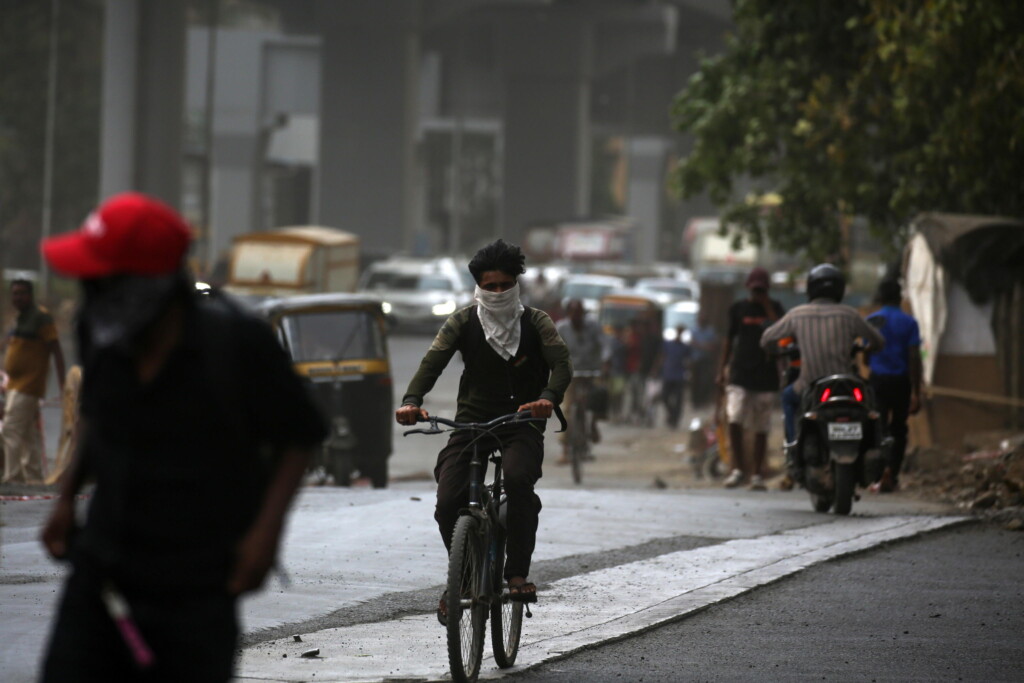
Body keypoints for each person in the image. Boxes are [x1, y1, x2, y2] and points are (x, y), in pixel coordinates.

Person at [38, 193, 327, 682]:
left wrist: (264, 537)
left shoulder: (237, 343)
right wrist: (65, 498)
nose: (91, 293)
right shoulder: (102, 328)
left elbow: (300, 437)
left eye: (101, 279)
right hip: (102, 567)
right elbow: (95, 414)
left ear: (145, 284)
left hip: (198, 583)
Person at [395, 239, 571, 612]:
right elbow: (432, 363)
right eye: (489, 286)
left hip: (521, 421)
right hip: (472, 423)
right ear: (478, 287)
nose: (497, 292)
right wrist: (412, 401)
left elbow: (562, 366)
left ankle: (517, 574)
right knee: (447, 500)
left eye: (504, 285)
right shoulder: (461, 321)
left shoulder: (537, 322)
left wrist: (547, 399)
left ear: (516, 284)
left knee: (519, 480)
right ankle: (462, 574)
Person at [760, 264, 885, 482]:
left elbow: (766, 339)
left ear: (811, 288)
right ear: (839, 289)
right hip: (846, 386)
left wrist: (778, 351)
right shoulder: (849, 314)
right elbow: (877, 340)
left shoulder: (797, 314)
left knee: (789, 398)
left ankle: (792, 446)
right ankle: (878, 444)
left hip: (809, 386)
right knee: (871, 403)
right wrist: (867, 347)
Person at [717, 267, 784, 491]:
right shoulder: (738, 309)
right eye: (755, 289)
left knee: (761, 425)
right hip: (740, 372)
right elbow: (728, 340)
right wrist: (722, 369)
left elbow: (781, 333)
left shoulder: (775, 308)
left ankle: (756, 474)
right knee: (734, 417)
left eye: (761, 290)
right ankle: (737, 469)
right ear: (748, 287)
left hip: (765, 374)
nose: (757, 293)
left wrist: (767, 307)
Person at [1, 278, 66, 484]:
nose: (17, 297)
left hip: (28, 385)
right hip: (13, 384)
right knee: (29, 435)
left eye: (21, 293)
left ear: (30, 295)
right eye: (15, 293)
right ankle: (34, 478)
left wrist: (64, 382)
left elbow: (56, 349)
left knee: (10, 429)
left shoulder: (41, 318)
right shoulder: (19, 319)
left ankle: (13, 478)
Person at [865, 278, 922, 492]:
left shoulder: (871, 320)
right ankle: (892, 473)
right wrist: (916, 391)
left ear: (880, 298)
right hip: (901, 382)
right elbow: (914, 356)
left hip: (877, 381)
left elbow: (865, 357)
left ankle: (877, 475)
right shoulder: (909, 323)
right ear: (900, 298)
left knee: (877, 428)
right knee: (899, 428)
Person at [555, 298, 608, 462]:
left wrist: (606, 362)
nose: (576, 316)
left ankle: (593, 426)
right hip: (570, 373)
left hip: (591, 371)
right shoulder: (561, 328)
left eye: (579, 313)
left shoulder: (593, 326)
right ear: (568, 314)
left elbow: (605, 345)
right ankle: (565, 450)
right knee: (567, 410)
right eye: (573, 313)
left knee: (600, 396)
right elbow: (553, 348)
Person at [658, 325, 692, 429]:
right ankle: (671, 414)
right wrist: (657, 370)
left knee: (678, 400)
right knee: (664, 397)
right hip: (668, 374)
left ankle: (674, 420)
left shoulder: (685, 347)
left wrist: (690, 374)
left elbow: (688, 362)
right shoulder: (668, 344)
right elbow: (662, 357)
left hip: (679, 376)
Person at [688, 311, 719, 410]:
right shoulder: (694, 330)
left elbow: (713, 347)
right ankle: (695, 402)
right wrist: (704, 346)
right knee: (694, 382)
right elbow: (692, 344)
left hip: (706, 360)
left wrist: (700, 345)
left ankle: (703, 400)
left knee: (705, 381)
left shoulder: (710, 331)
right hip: (695, 360)